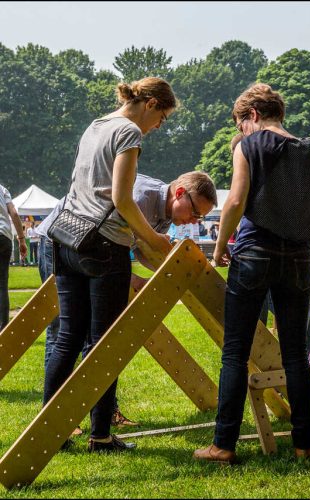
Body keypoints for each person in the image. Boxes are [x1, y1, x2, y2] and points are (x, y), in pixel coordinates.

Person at [194, 83, 310, 463]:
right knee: (296, 354)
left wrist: (221, 248)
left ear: (252, 115)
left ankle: (223, 445)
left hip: (254, 253)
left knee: (235, 354)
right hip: (300, 258)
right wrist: (309, 263)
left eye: (240, 125)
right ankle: (304, 445)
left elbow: (236, 200)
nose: (240, 132)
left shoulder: (248, 146)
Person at [43, 77, 180, 454]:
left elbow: (78, 184)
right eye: (162, 118)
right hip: (104, 245)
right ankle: (100, 436)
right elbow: (122, 198)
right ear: (151, 103)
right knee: (104, 344)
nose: (158, 127)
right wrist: (154, 239)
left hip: (66, 236)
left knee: (68, 337)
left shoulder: (96, 125)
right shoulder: (128, 132)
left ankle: (51, 431)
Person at [37, 171, 216, 428]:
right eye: (196, 213)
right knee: (64, 332)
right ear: (179, 194)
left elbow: (138, 247)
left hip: (91, 248)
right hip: (61, 240)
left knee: (96, 338)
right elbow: (108, 250)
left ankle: (103, 412)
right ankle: (60, 418)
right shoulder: (140, 197)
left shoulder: (166, 215)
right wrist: (132, 280)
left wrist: (169, 272)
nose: (193, 221)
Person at [0, 184, 27, 330]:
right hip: (4, 237)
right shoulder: (3, 189)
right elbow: (14, 214)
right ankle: (3, 328)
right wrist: (21, 239)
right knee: (2, 286)